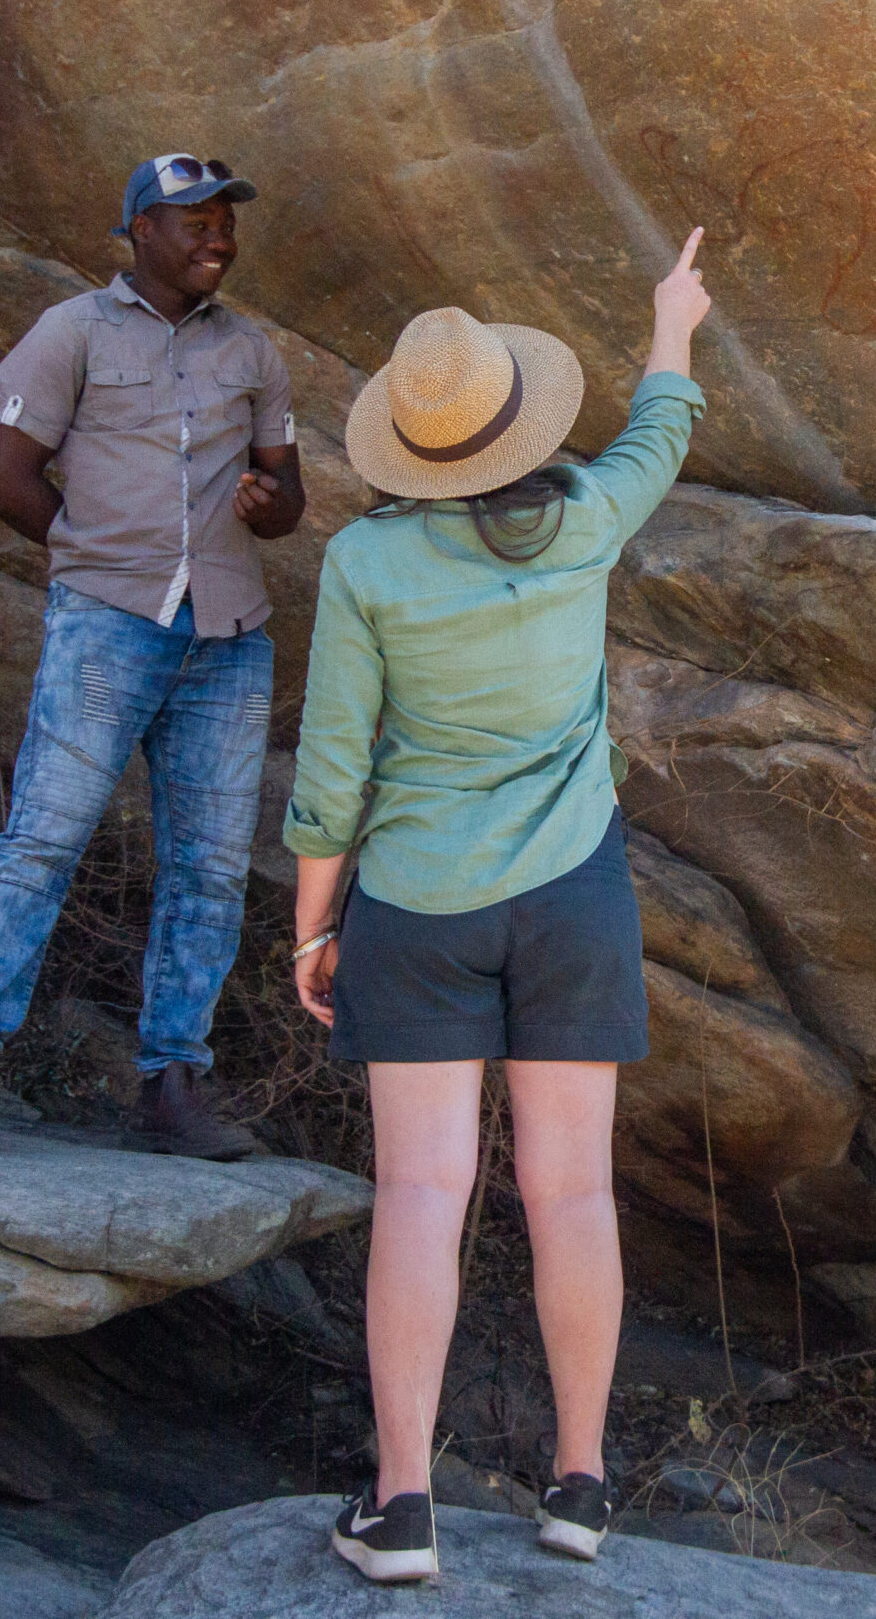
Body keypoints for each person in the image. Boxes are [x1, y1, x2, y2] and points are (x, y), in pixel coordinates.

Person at [286, 230, 713, 1583]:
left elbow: (333, 767)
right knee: (570, 1186)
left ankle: (401, 1506)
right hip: (572, 889)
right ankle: (580, 1488)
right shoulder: (586, 515)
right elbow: (661, 433)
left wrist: (312, 926)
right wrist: (672, 325)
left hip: (416, 904)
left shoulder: (367, 566)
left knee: (421, 1190)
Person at [0, 154, 307, 1159]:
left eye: (225, 220)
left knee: (209, 871)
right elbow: (2, 473)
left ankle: (173, 1087)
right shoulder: (71, 331)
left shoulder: (251, 354)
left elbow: (286, 494)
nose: (216, 235)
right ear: (139, 230)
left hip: (228, 643)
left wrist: (272, 507)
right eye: (193, 220)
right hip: (106, 630)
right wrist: (96, 558)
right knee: (44, 837)